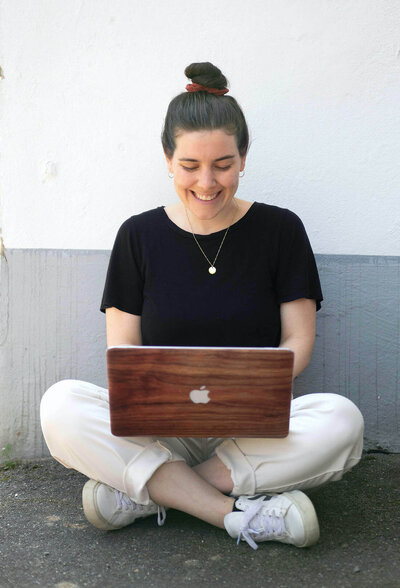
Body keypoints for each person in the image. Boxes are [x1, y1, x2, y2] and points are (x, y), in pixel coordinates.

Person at [40, 62, 364, 550]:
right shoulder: (138, 235)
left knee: (342, 420)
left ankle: (151, 493)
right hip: (159, 434)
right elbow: (122, 354)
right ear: (168, 159)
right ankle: (235, 515)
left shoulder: (281, 230)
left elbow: (298, 342)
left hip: (251, 434)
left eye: (223, 165)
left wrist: (248, 386)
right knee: (60, 405)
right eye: (190, 166)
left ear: (244, 157)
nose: (207, 183)